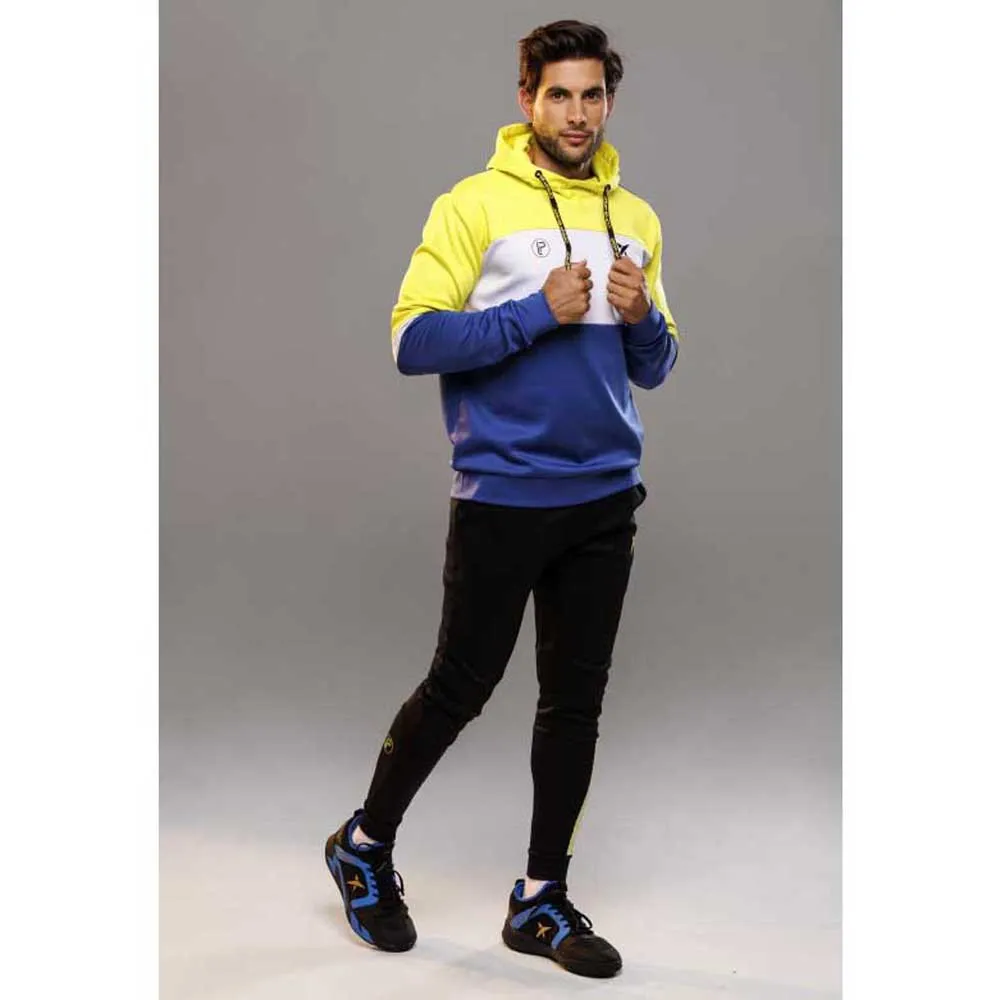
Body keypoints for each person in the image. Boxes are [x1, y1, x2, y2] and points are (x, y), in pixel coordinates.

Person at [324, 19, 680, 979]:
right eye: (559, 94)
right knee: (462, 685)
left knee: (574, 706)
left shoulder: (636, 218)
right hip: (504, 494)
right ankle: (362, 844)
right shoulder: (472, 205)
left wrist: (641, 317)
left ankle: (539, 900)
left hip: (605, 497)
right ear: (527, 99)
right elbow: (413, 340)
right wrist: (535, 312)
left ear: (609, 101)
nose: (578, 114)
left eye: (593, 95)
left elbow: (656, 366)